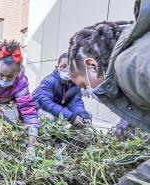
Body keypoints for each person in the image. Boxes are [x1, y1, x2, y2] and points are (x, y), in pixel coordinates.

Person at [67, 0, 149, 183]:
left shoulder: (129, 65)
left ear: (92, 66)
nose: (88, 91)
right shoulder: (138, 52)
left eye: (84, 85)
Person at [32, 53, 91, 126]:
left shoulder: (75, 85)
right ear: (57, 68)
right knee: (50, 118)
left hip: (57, 105)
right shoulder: (49, 81)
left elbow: (76, 103)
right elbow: (46, 103)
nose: (67, 70)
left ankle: (69, 135)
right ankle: (36, 126)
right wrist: (70, 117)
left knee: (82, 117)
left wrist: (82, 114)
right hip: (38, 106)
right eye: (64, 66)